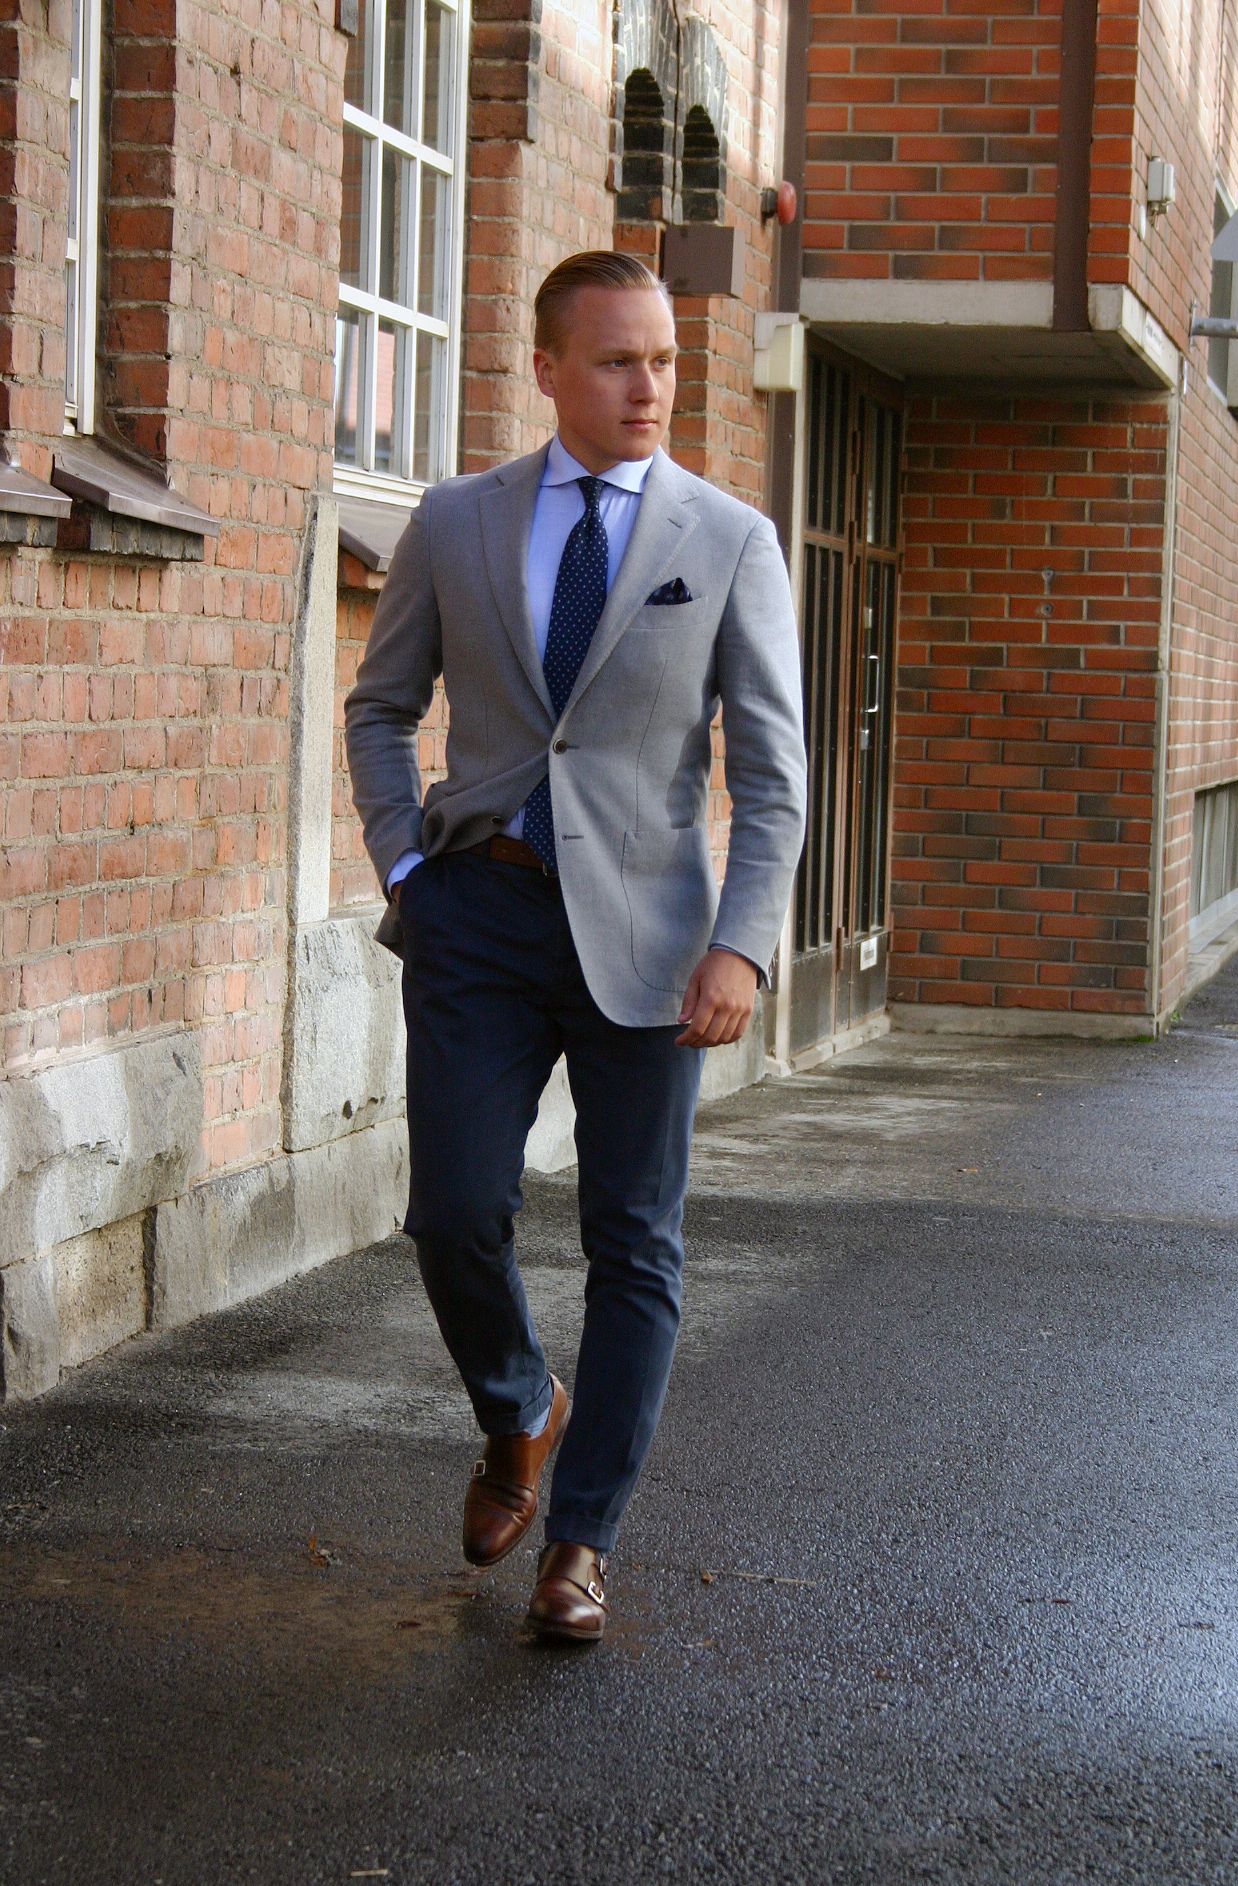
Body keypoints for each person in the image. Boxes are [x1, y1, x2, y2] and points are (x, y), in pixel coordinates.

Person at [344, 250, 806, 1644]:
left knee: (634, 1244)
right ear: (547, 369)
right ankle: (515, 1406)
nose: (647, 385)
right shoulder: (458, 519)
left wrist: (743, 944)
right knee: (453, 1212)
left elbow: (773, 771)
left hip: (654, 937)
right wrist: (406, 865)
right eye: (615, 360)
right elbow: (380, 705)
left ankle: (582, 1542)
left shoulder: (726, 538)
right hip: (477, 907)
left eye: (662, 358)